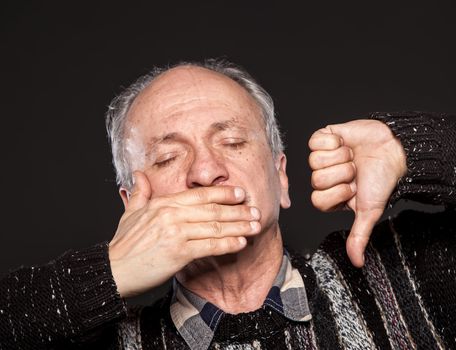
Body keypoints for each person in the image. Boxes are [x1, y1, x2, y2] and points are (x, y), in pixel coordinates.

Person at [0, 59, 454, 349]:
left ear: (280, 178)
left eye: (233, 142)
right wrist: (109, 272)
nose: (205, 171)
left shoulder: (404, 276)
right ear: (133, 207)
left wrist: (410, 150)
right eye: (167, 157)